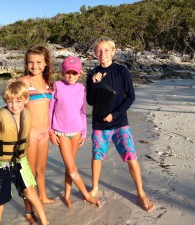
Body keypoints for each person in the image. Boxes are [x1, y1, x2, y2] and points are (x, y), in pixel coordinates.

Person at [0, 45, 56, 222]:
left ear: (46, 63)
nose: (35, 66)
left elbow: (52, 109)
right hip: (29, 135)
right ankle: (29, 210)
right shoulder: (23, 81)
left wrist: (55, 130)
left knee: (41, 170)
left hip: (44, 133)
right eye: (30, 62)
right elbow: (11, 103)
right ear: (26, 63)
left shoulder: (49, 83)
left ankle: (44, 197)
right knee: (27, 174)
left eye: (39, 62)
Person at [86, 37, 155, 212]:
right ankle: (94, 187)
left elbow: (130, 96)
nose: (102, 54)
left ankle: (140, 192)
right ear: (95, 53)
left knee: (131, 156)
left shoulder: (121, 71)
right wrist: (94, 83)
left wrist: (115, 114)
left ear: (113, 51)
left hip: (120, 123)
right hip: (99, 124)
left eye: (106, 50)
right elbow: (91, 101)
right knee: (97, 156)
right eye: (99, 51)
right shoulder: (92, 73)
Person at [0, 79, 49, 225]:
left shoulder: (26, 114)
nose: (15, 105)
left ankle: (45, 222)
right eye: (10, 101)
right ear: (5, 100)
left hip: (20, 160)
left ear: (26, 99)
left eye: (19, 101)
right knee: (0, 199)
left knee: (30, 191)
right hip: (0, 163)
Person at [49, 56, 101, 208]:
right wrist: (51, 131)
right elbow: (50, 109)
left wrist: (84, 132)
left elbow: (83, 112)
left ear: (80, 74)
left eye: (74, 73)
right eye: (67, 72)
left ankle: (66, 194)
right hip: (61, 132)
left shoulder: (82, 89)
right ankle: (86, 194)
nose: (71, 76)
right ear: (62, 72)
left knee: (69, 166)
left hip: (77, 131)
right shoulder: (56, 86)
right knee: (72, 169)